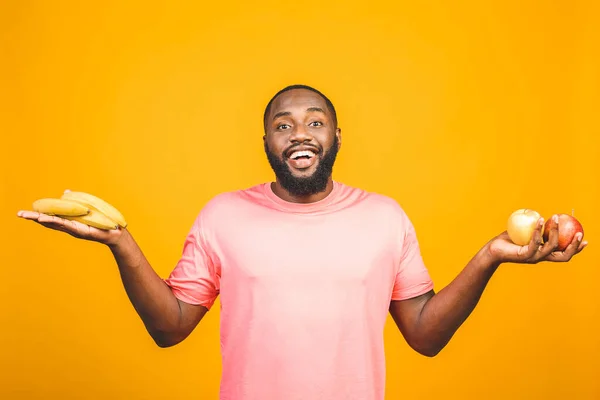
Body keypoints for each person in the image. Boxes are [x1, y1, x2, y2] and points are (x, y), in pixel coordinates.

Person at [18, 84, 587, 400]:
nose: (299, 134)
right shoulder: (224, 214)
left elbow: (425, 336)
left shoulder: (384, 217)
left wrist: (491, 255)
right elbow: (169, 329)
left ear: (336, 136)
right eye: (283, 124)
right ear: (266, 140)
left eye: (314, 122)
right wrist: (120, 243)